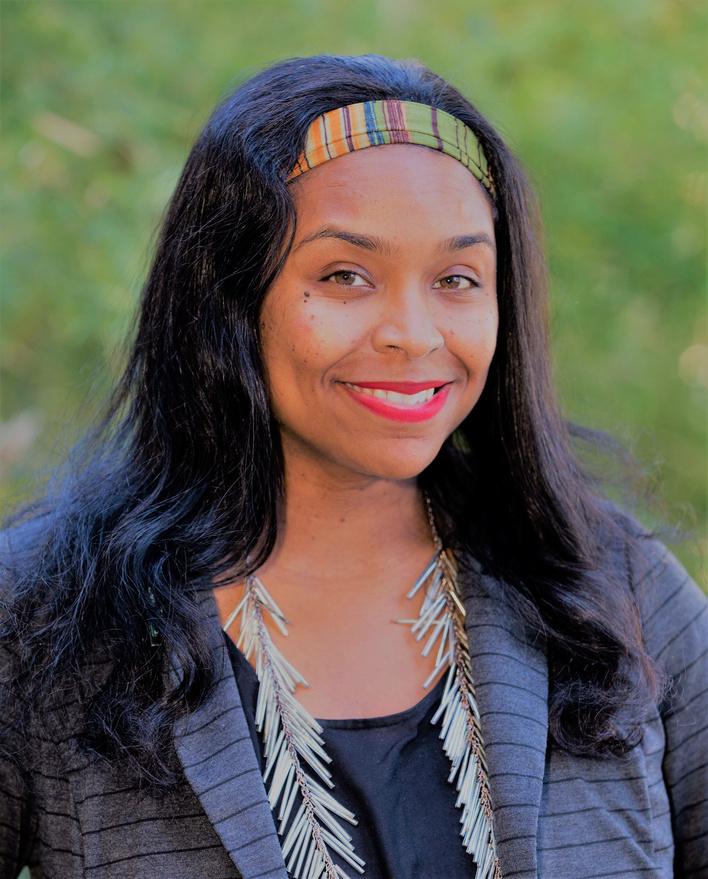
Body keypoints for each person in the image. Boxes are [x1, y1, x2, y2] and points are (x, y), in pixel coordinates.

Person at [1, 53, 706, 879]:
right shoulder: (46, 614)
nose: (413, 332)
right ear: (230, 297)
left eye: (457, 278)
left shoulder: (614, 589)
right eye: (345, 275)